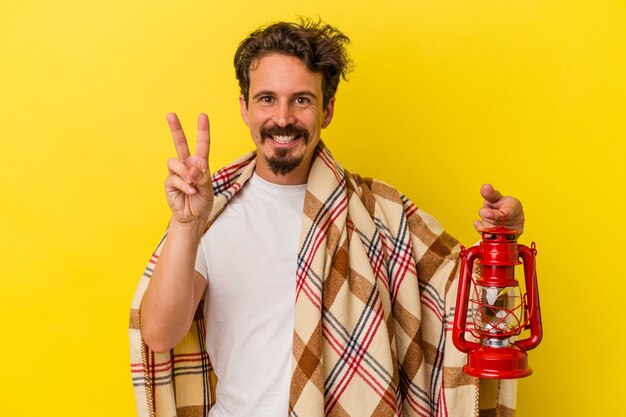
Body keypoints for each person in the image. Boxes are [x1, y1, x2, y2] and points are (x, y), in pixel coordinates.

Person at [130, 18, 525, 417]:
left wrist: (501, 247)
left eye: (301, 100)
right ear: (244, 107)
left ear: (328, 109)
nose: (282, 118)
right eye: (267, 98)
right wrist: (184, 227)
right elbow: (160, 335)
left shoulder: (381, 213)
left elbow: (473, 305)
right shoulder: (209, 214)